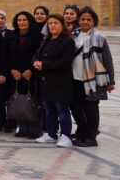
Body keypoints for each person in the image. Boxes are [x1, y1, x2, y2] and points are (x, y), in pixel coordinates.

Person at [70, 7, 116, 147]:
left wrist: (111, 81)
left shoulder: (99, 37)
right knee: (76, 107)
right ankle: (82, 132)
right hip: (74, 78)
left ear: (94, 22)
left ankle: (91, 136)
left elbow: (107, 59)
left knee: (91, 108)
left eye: (88, 20)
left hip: (92, 80)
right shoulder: (73, 35)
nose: (85, 22)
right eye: (83, 19)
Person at [33, 13, 76, 147]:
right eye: (50, 23)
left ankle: (66, 135)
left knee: (61, 110)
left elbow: (65, 62)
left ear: (62, 25)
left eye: (55, 23)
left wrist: (44, 65)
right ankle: (51, 133)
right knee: (48, 109)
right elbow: (36, 54)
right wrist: (35, 62)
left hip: (60, 82)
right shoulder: (47, 39)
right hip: (47, 82)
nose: (52, 25)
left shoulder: (67, 41)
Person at [7, 11, 43, 139]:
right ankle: (22, 128)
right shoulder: (11, 35)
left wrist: (31, 70)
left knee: (32, 100)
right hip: (15, 74)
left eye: (24, 20)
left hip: (31, 73)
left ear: (29, 21)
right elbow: (7, 55)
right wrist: (11, 70)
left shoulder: (38, 36)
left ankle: (34, 129)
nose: (21, 22)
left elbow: (40, 54)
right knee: (18, 100)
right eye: (19, 20)